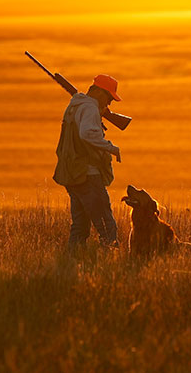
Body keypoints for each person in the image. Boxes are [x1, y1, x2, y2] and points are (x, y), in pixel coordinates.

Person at [53, 74, 123, 252]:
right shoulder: (89, 108)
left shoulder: (75, 106)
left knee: (80, 227)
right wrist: (111, 148)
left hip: (72, 174)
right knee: (107, 227)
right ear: (99, 93)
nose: (108, 104)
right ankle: (111, 265)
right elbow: (87, 134)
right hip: (88, 175)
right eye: (108, 98)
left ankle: (71, 264)